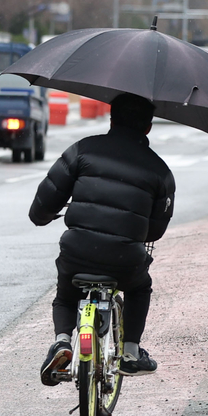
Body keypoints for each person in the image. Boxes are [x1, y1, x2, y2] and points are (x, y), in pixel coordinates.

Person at [29, 93, 176, 386]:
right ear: (148, 128)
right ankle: (131, 353)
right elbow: (155, 231)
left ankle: (61, 342)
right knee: (140, 288)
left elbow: (44, 204)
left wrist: (43, 217)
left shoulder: (82, 150)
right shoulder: (160, 171)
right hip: (125, 260)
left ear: (111, 118)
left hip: (77, 252)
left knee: (66, 294)